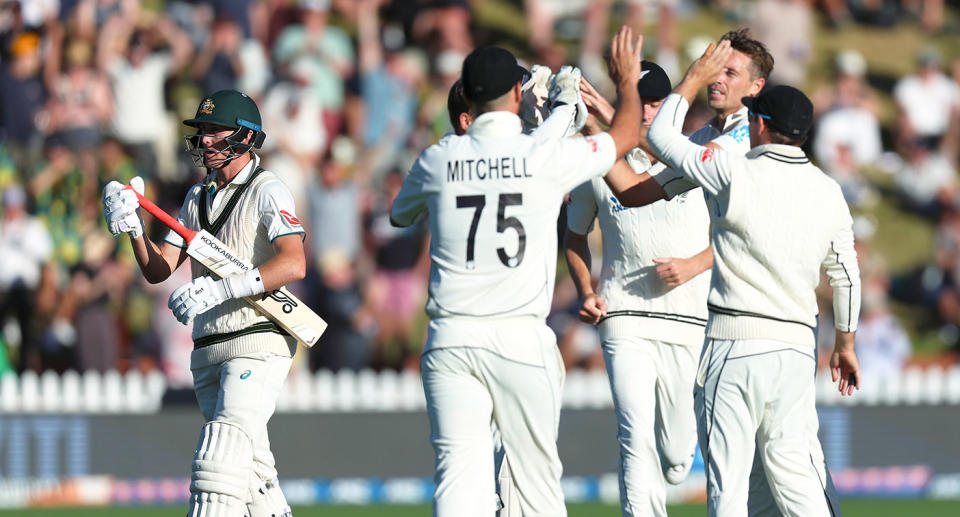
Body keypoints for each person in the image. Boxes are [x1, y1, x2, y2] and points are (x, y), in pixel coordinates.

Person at [390, 27, 645, 516]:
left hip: (451, 339)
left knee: (459, 484)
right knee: (534, 486)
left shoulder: (439, 157)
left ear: (467, 96)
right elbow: (626, 138)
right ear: (515, 93)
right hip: (518, 339)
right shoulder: (543, 153)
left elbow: (399, 215)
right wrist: (624, 82)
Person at [645, 41, 862, 517]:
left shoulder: (732, 169)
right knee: (797, 481)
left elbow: (661, 139)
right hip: (795, 352)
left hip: (733, 346)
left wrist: (692, 80)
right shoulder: (829, 192)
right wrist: (845, 345)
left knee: (730, 489)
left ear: (761, 124)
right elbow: (846, 277)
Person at [101, 89, 305, 517]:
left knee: (217, 466)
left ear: (247, 137)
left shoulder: (269, 190)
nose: (206, 140)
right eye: (203, 132)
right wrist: (134, 229)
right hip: (209, 347)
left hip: (259, 339)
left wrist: (225, 288)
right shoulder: (197, 198)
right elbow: (160, 269)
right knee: (252, 477)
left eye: (216, 131)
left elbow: (293, 263)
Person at [565, 60, 710, 517]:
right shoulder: (598, 163)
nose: (647, 112)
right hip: (625, 315)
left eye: (655, 103)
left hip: (688, 320)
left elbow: (736, 236)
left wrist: (693, 265)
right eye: (639, 103)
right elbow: (573, 236)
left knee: (677, 457)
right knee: (635, 434)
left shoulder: (697, 153)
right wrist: (586, 288)